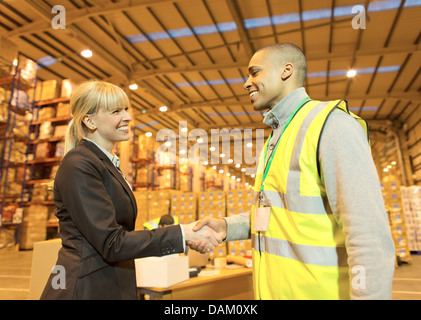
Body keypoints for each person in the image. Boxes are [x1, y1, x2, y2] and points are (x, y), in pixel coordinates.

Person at [189, 43, 396, 300]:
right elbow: (279, 216)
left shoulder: (331, 125)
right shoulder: (277, 138)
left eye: (254, 72)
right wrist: (226, 227)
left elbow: (368, 234)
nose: (246, 83)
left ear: (286, 71)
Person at [40, 80, 221, 300]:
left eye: (126, 109)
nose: (127, 117)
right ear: (89, 120)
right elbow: (111, 242)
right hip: (85, 287)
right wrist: (182, 233)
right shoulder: (79, 163)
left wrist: (183, 235)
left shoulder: (105, 163)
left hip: (108, 282)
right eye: (116, 111)